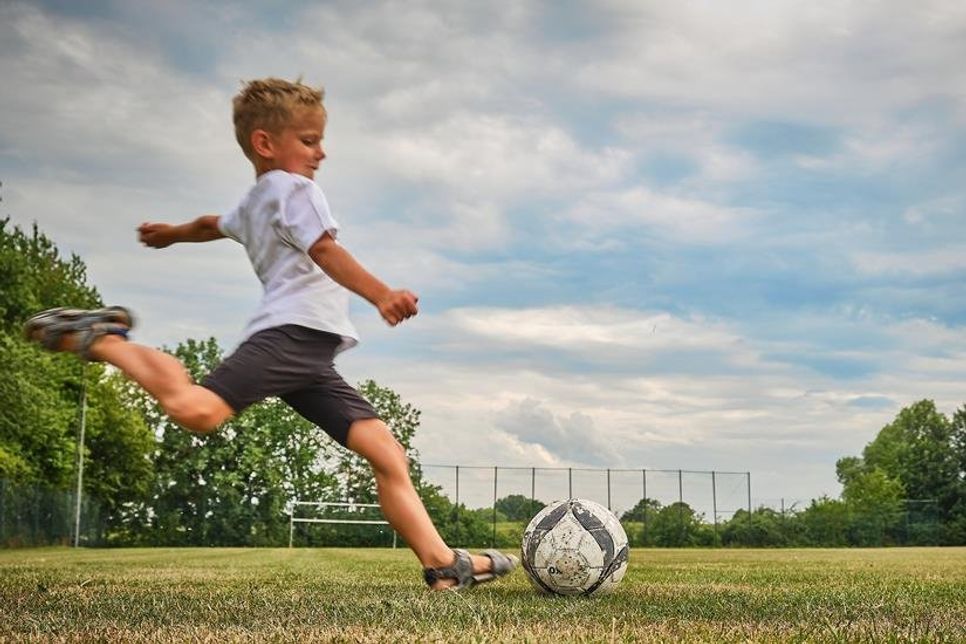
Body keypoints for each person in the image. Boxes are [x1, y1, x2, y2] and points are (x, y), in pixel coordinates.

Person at [25, 77, 516, 590]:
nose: (321, 153)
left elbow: (210, 223)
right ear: (265, 143)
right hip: (290, 337)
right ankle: (102, 338)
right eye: (308, 141)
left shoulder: (255, 201)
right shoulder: (294, 189)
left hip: (310, 355)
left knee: (387, 453)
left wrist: (170, 234)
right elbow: (325, 250)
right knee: (198, 409)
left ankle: (445, 567)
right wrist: (381, 294)